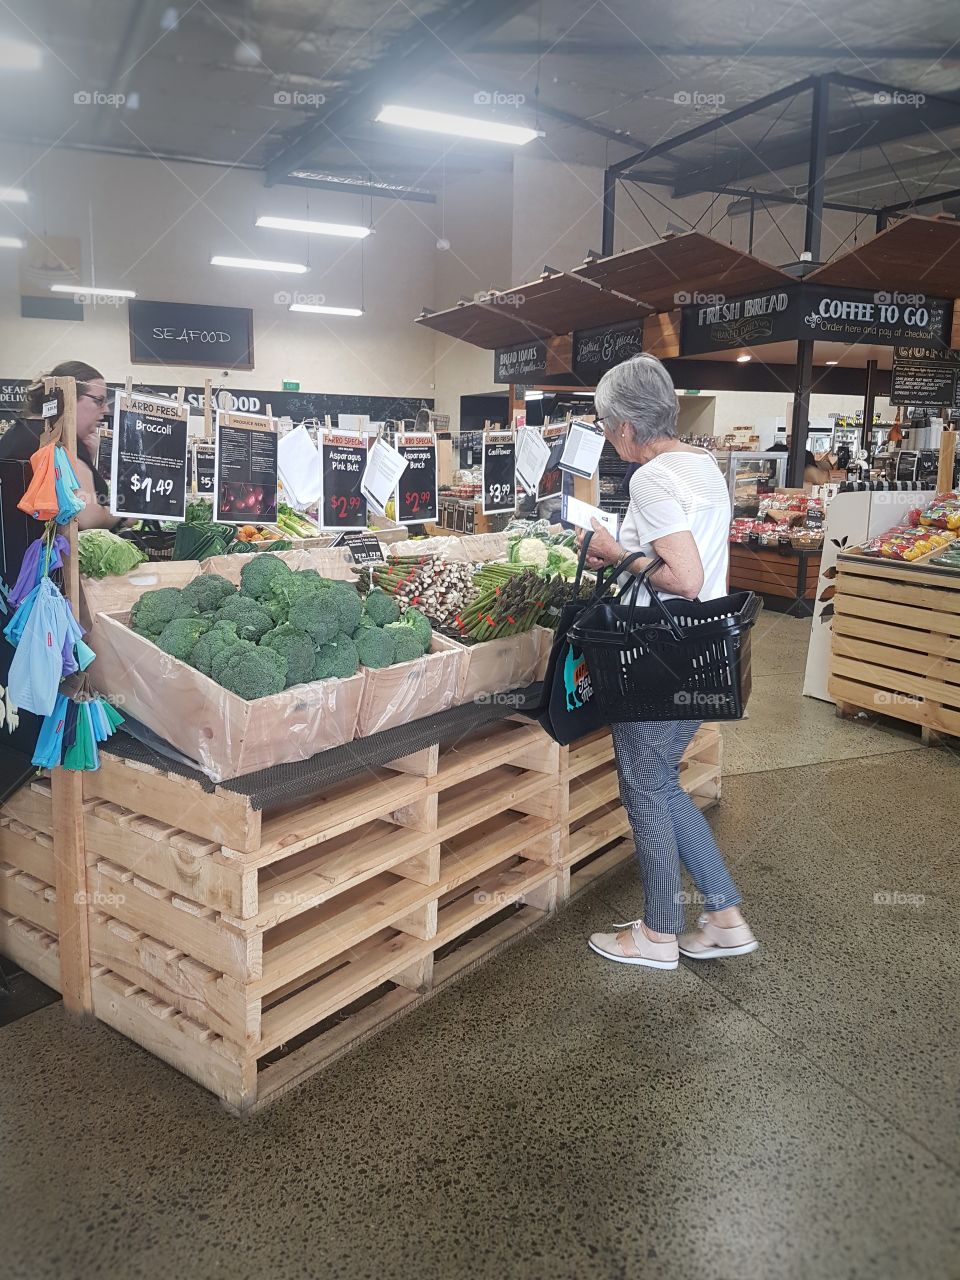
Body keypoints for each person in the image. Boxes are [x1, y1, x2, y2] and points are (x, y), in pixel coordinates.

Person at [579, 354, 758, 970]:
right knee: (662, 782)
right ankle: (724, 916)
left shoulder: (650, 479)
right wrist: (629, 552)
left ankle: (658, 934)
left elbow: (684, 575)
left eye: (606, 426)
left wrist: (611, 550)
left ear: (626, 427)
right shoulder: (702, 465)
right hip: (704, 649)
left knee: (645, 787)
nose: (607, 437)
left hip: (660, 649)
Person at [1, 361, 121, 530]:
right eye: (98, 401)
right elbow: (87, 517)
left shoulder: (15, 434)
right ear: (69, 397)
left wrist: (87, 458)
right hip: (46, 554)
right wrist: (122, 515)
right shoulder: (60, 443)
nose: (106, 409)